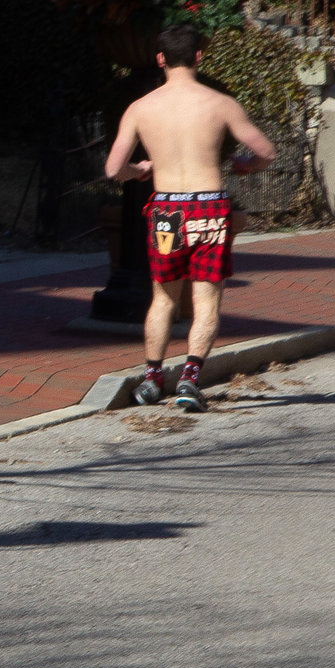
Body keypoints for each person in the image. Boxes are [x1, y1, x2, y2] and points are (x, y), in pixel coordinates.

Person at [103, 22, 279, 413]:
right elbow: (266, 150)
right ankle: (189, 379)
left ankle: (151, 379)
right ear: (199, 56)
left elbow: (114, 169)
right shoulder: (220, 104)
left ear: (160, 59)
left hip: (167, 209)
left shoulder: (141, 108)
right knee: (206, 300)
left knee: (163, 298)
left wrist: (141, 169)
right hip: (210, 207)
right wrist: (245, 165)